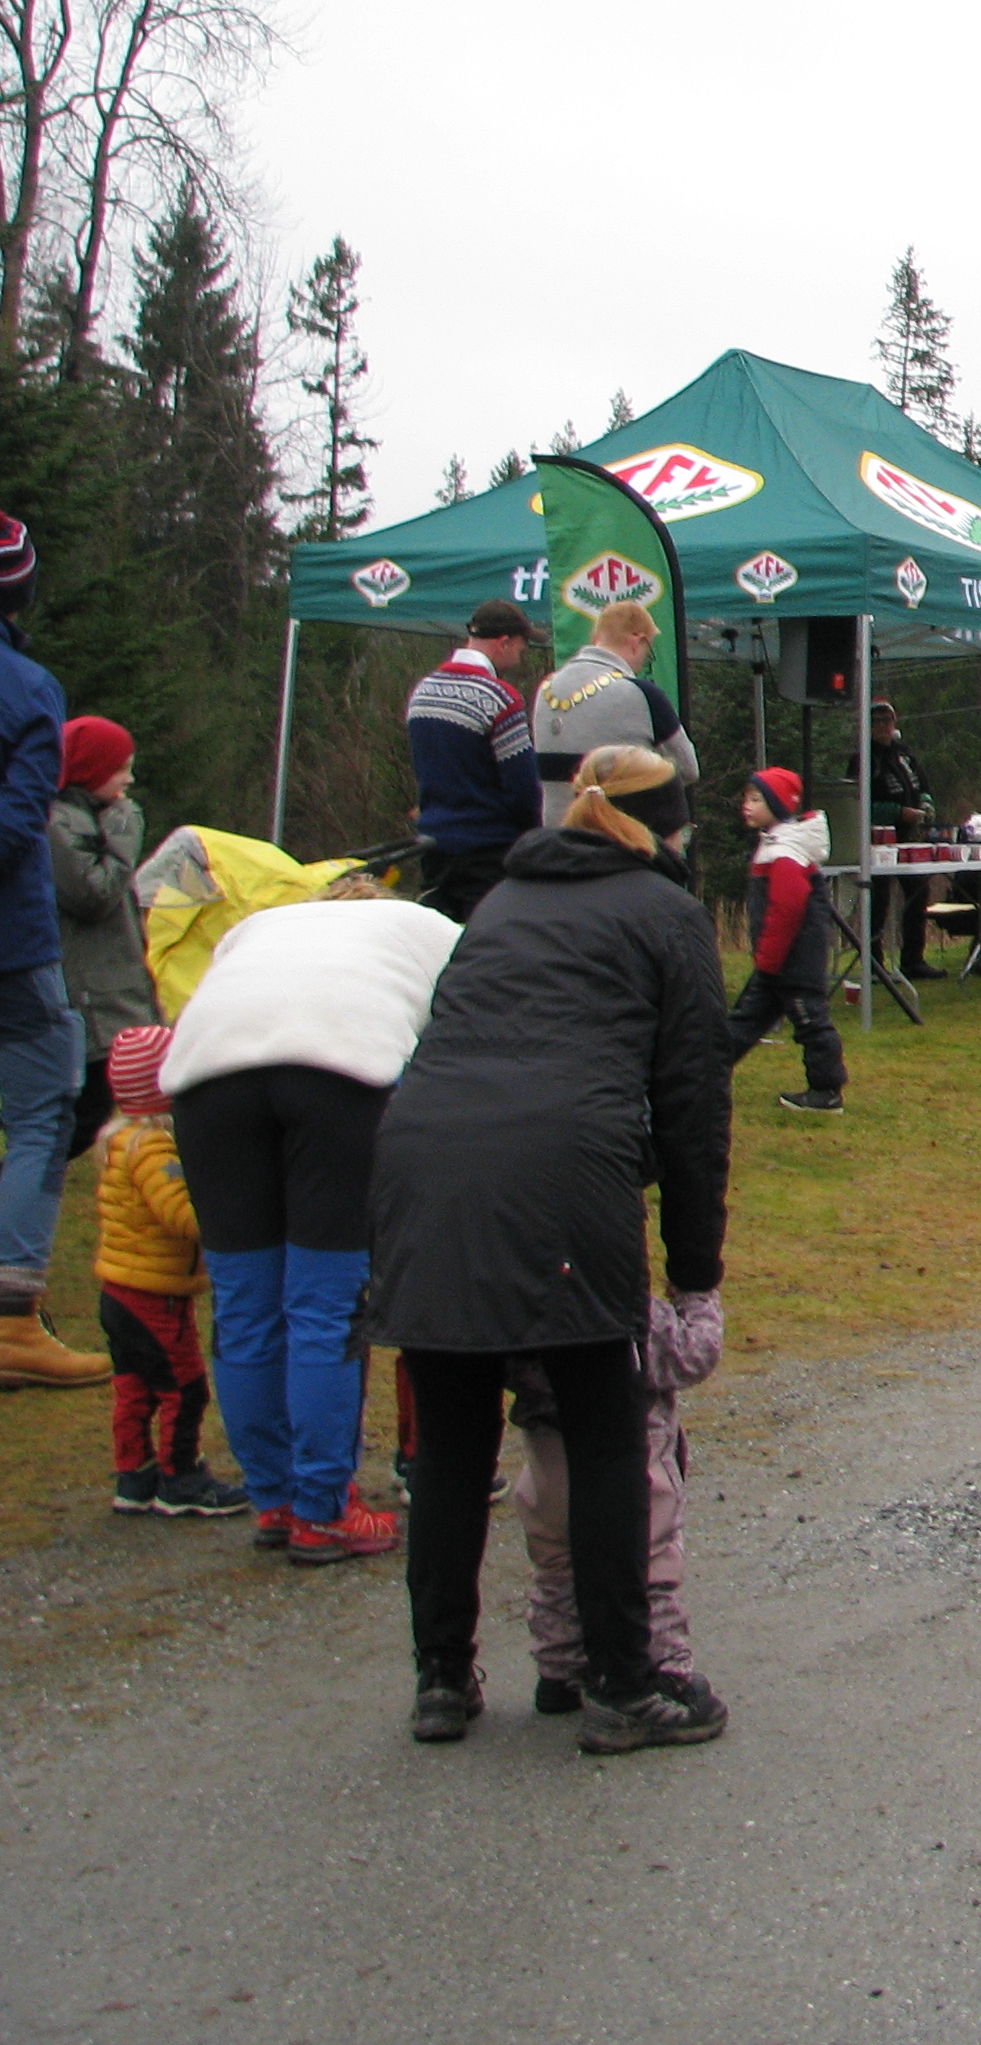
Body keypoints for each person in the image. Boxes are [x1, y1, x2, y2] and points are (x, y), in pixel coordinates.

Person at [369, 738, 731, 1752]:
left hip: (423, 1166)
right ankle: (623, 1681)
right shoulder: (667, 914)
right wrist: (694, 1276)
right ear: (666, 831)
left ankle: (442, 1680)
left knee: (451, 1445)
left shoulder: (499, 902)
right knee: (604, 1430)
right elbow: (694, 1107)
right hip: (564, 1173)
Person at [163, 875, 462, 1561]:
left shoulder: (264, 925)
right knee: (324, 1304)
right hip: (339, 1073)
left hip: (208, 1076)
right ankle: (324, 1508)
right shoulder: (428, 929)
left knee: (244, 1304)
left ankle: (273, 1499)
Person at [510, 1282, 722, 1717]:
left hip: (547, 1448)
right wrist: (697, 1297)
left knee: (556, 1562)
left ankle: (560, 1667)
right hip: (631, 1447)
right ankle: (664, 1666)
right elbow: (694, 1354)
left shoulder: (521, 1305)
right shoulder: (622, 1302)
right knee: (650, 1558)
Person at [0, 510, 102, 1390]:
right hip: (12, 945)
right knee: (43, 1110)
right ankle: (10, 1318)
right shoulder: (28, 688)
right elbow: (14, 821)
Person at [90, 1026, 245, 1517]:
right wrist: (227, 1205)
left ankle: (134, 1475)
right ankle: (181, 1477)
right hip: (154, 1297)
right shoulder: (154, 1149)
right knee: (184, 1387)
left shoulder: (119, 1141)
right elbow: (182, 1215)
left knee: (134, 1387)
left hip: (120, 1290)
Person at [50, 713, 153, 1155]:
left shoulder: (93, 819)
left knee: (87, 1113)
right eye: (120, 768)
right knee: (79, 1116)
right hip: (89, 997)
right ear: (90, 769)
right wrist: (125, 833)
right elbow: (93, 894)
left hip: (111, 991)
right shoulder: (58, 825)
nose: (129, 780)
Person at [404, 598, 544, 922]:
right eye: (520, 648)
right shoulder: (499, 697)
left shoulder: (423, 690)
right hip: (488, 852)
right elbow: (522, 789)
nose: (519, 657)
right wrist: (535, 838)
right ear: (503, 642)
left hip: (433, 847)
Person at [724, 768, 845, 1113]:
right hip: (778, 960)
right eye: (746, 798)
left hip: (792, 960)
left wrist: (769, 958)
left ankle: (826, 1090)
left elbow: (788, 907)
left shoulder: (785, 852)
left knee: (810, 1021)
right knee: (744, 1020)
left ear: (777, 805)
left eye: (756, 799)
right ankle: (700, 1075)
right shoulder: (775, 844)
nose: (746, 806)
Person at [531, 603, 698, 830]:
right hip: (620, 836)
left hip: (555, 837)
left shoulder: (544, 691)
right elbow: (687, 769)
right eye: (648, 650)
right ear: (637, 641)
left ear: (597, 638)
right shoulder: (642, 694)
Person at [864, 701, 942, 981]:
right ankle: (873, 962)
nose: (884, 726)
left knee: (918, 892)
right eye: (877, 721)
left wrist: (926, 805)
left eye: (888, 720)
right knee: (878, 900)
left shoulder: (904, 755)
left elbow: (923, 786)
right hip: (878, 838)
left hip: (910, 837)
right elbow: (861, 804)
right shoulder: (864, 758)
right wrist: (897, 812)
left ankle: (913, 959)